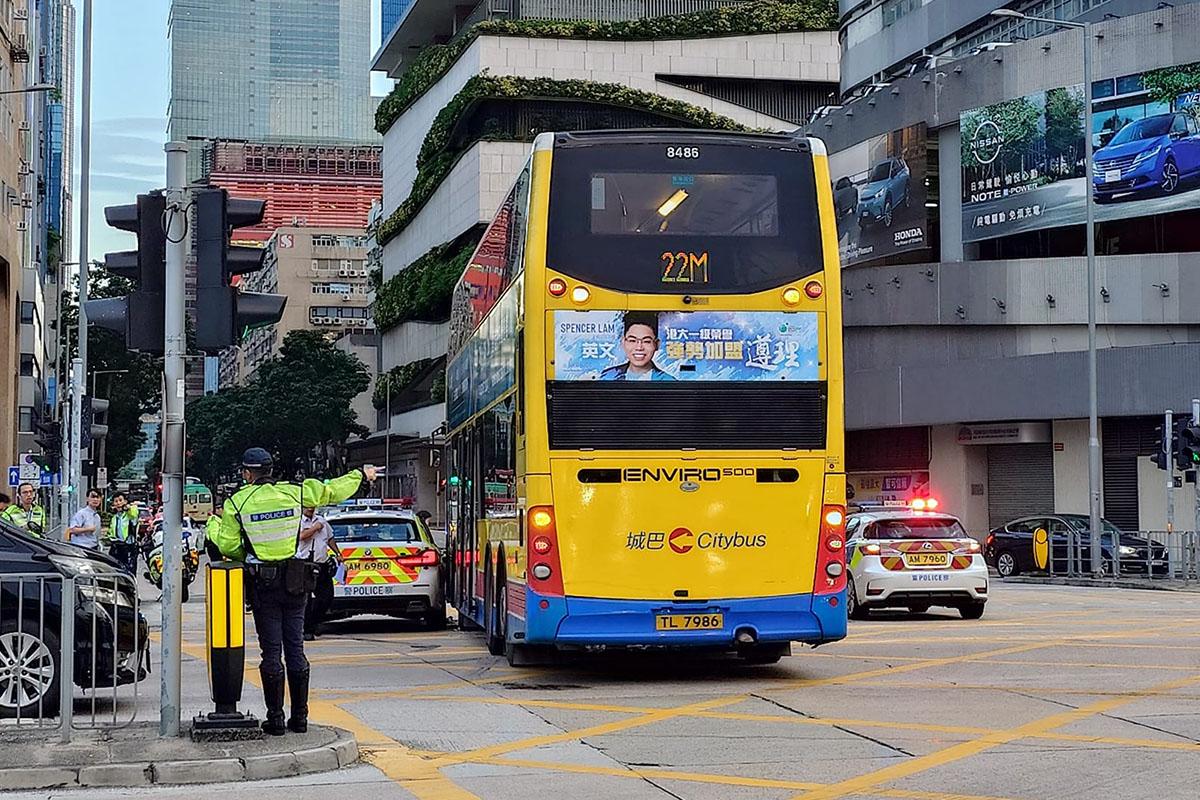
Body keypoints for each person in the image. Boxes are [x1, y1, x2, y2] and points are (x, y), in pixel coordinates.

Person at [210, 448, 375, 736]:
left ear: (247, 474)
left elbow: (227, 547)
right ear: (271, 470)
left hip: (264, 585)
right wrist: (360, 474)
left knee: (271, 651)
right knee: (295, 648)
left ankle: (275, 719)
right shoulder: (297, 492)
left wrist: (247, 550)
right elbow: (333, 490)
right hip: (296, 582)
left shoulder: (237, 503)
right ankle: (300, 719)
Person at [297, 506, 337, 642]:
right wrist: (315, 528)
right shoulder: (298, 521)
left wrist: (338, 553)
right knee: (306, 599)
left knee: (327, 597)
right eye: (308, 506)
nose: (310, 509)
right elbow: (301, 536)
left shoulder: (322, 521)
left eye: (312, 506)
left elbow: (330, 538)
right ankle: (307, 630)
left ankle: (314, 622)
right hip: (305, 564)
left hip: (322, 564)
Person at [599, 312, 675, 381]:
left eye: (646, 341)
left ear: (657, 344)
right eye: (632, 341)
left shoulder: (668, 381)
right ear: (623, 342)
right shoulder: (608, 376)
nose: (639, 347)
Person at [106, 492, 140, 575]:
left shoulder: (129, 515)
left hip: (128, 547)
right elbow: (111, 532)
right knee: (115, 572)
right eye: (116, 501)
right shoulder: (114, 517)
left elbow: (134, 513)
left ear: (125, 501)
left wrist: (128, 508)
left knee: (128, 573)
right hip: (116, 547)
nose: (118, 503)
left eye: (120, 500)